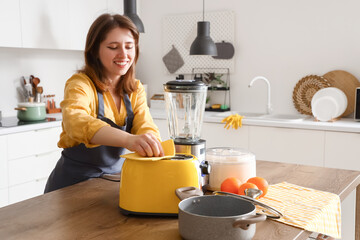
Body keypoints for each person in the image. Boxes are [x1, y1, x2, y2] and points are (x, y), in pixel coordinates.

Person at [44, 13, 164, 193]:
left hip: (112, 185)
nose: (124, 54)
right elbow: (75, 122)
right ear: (95, 51)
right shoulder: (80, 84)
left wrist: (150, 142)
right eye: (113, 47)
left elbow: (145, 125)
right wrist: (129, 140)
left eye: (129, 47)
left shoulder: (135, 88)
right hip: (72, 186)